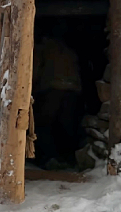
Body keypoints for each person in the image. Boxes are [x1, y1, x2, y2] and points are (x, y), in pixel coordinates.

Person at [32, 21, 83, 169]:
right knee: (67, 123)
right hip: (72, 90)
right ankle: (69, 158)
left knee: (44, 124)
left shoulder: (43, 48)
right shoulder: (68, 50)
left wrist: (31, 89)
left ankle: (49, 157)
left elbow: (35, 69)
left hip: (52, 88)